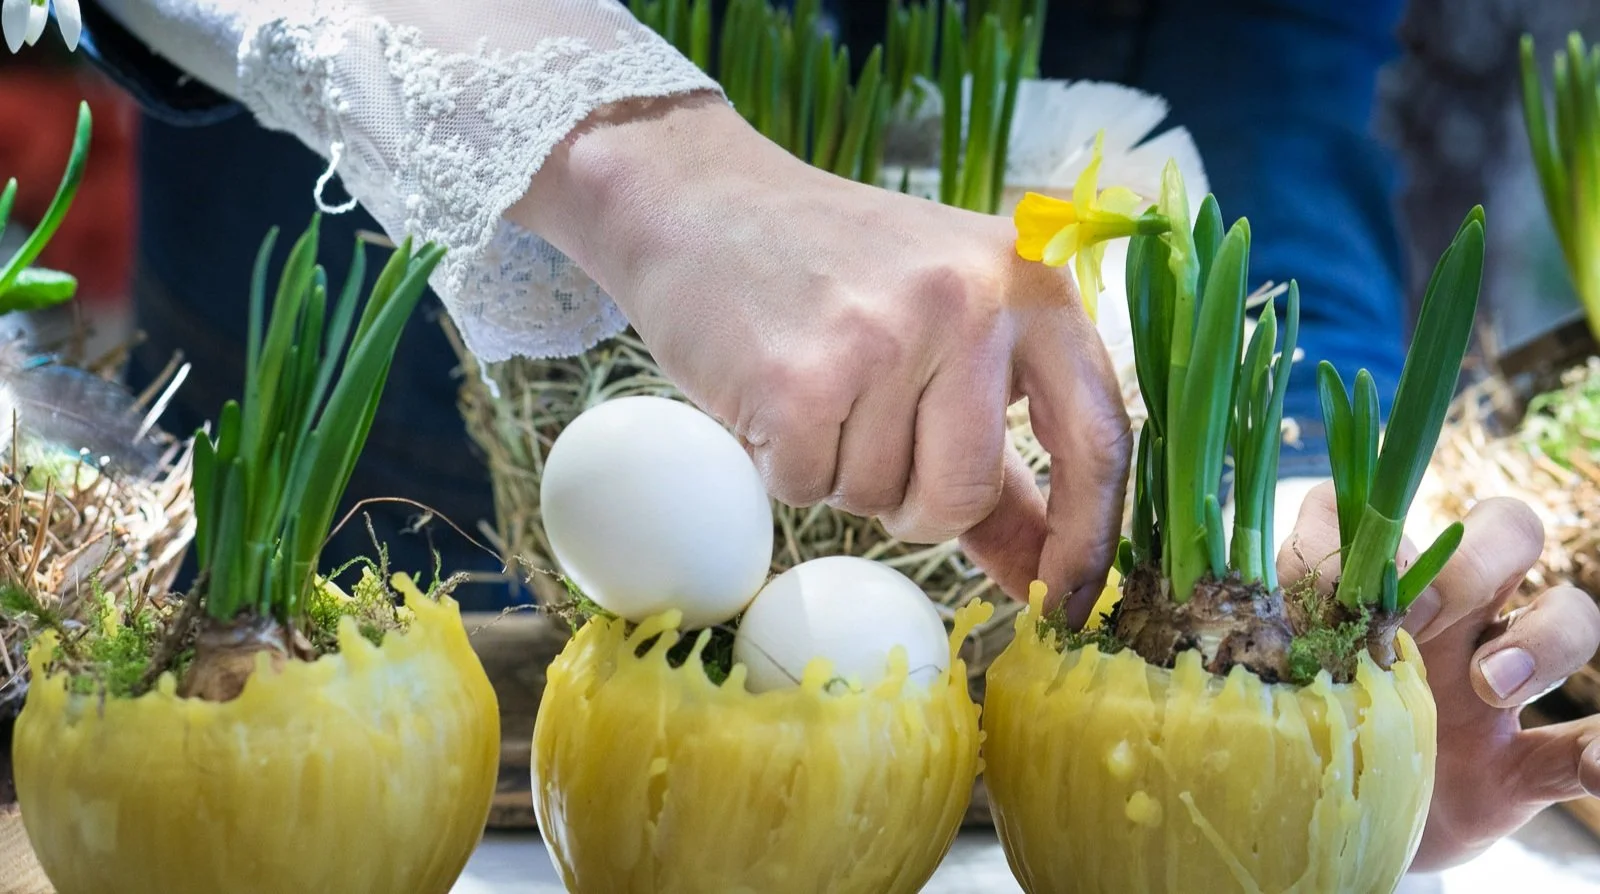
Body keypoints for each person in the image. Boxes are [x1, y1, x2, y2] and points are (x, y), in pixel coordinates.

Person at [40, 0, 1600, 870]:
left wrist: (1283, 510)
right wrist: (655, 164)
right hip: (376, 326)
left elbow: (1267, 61)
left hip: (1016, 431)